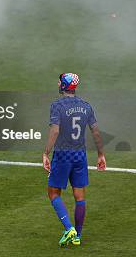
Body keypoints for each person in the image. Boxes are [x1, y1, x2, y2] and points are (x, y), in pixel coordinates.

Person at [42, 73, 106, 247]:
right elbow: (96, 132)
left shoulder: (57, 106)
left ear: (63, 86)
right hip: (80, 155)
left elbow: (55, 131)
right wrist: (100, 154)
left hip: (63, 155)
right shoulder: (86, 106)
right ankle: (77, 236)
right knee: (79, 196)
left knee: (53, 193)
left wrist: (46, 152)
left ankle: (69, 228)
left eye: (59, 81)